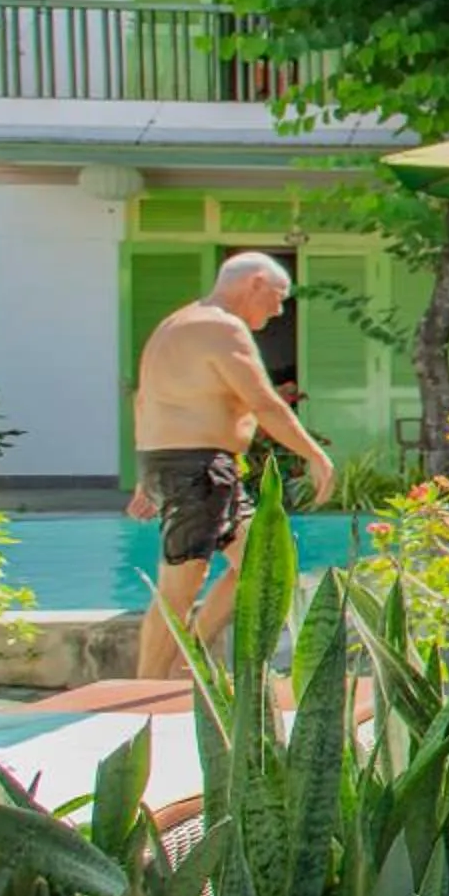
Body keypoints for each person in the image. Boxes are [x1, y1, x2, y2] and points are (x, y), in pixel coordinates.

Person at [127, 251, 335, 679]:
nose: (279, 311)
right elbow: (263, 403)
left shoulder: (178, 323)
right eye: (277, 298)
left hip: (190, 465)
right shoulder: (220, 327)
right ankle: (142, 693)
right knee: (179, 589)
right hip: (196, 468)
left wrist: (144, 478)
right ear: (255, 283)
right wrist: (314, 454)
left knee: (264, 562)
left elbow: (144, 400)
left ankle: (190, 662)